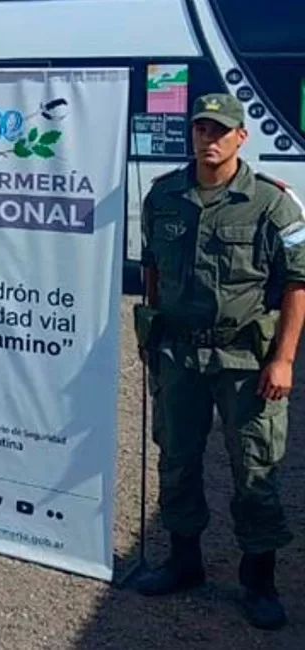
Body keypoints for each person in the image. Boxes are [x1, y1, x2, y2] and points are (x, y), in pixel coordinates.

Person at [136, 92, 305, 631]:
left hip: (244, 359)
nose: (207, 139)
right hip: (180, 355)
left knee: (254, 467)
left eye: (219, 131)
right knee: (178, 460)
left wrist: (284, 359)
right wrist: (152, 334)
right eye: (200, 130)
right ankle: (184, 562)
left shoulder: (273, 204)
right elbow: (152, 270)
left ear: (240, 137)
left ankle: (259, 581)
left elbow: (298, 285)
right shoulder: (164, 196)